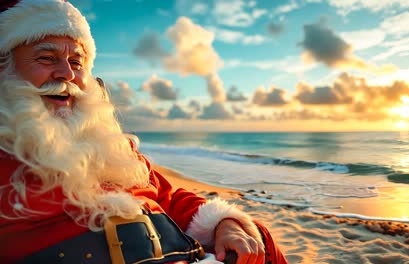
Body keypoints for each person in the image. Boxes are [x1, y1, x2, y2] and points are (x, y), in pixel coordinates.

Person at [0, 0, 287, 263]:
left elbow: (171, 199)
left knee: (258, 239)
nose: (67, 74)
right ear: (5, 69)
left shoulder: (112, 147)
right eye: (47, 58)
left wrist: (225, 223)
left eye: (76, 62)